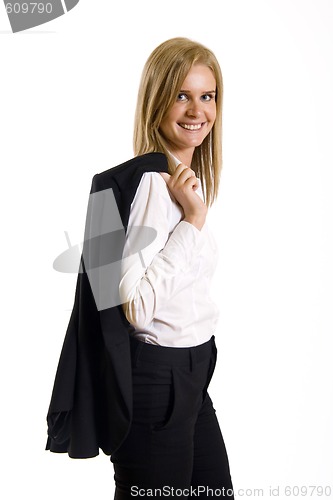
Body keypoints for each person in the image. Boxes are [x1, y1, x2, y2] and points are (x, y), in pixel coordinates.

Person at [110, 37, 235, 498]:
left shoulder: (180, 184)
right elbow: (136, 308)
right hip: (156, 382)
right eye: (182, 95)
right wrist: (194, 222)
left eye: (208, 96)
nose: (197, 110)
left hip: (192, 377)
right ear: (158, 99)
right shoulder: (149, 185)